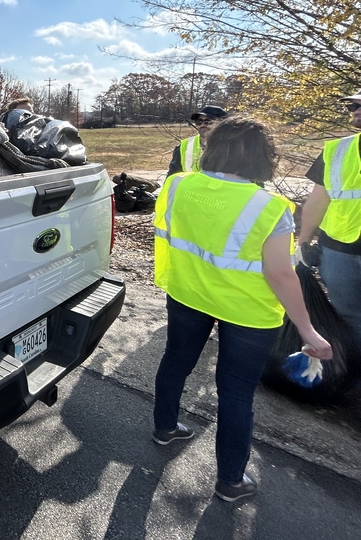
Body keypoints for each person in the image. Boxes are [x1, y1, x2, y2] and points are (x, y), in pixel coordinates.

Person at [151, 116, 333, 502]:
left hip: (187, 294)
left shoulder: (178, 184)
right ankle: (230, 481)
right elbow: (281, 275)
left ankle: (164, 427)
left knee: (175, 360)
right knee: (235, 393)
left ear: (212, 148)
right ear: (263, 158)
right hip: (247, 313)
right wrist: (308, 330)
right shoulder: (270, 207)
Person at [299, 90, 361, 352]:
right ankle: (354, 381)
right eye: (353, 106)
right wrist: (303, 241)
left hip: (341, 253)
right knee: (348, 317)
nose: (355, 110)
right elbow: (317, 201)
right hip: (339, 249)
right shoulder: (338, 150)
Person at [166, 105, 228, 178]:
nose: (202, 125)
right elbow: (172, 177)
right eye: (199, 121)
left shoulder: (234, 147)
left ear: (223, 123)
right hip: (190, 189)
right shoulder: (184, 146)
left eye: (208, 121)